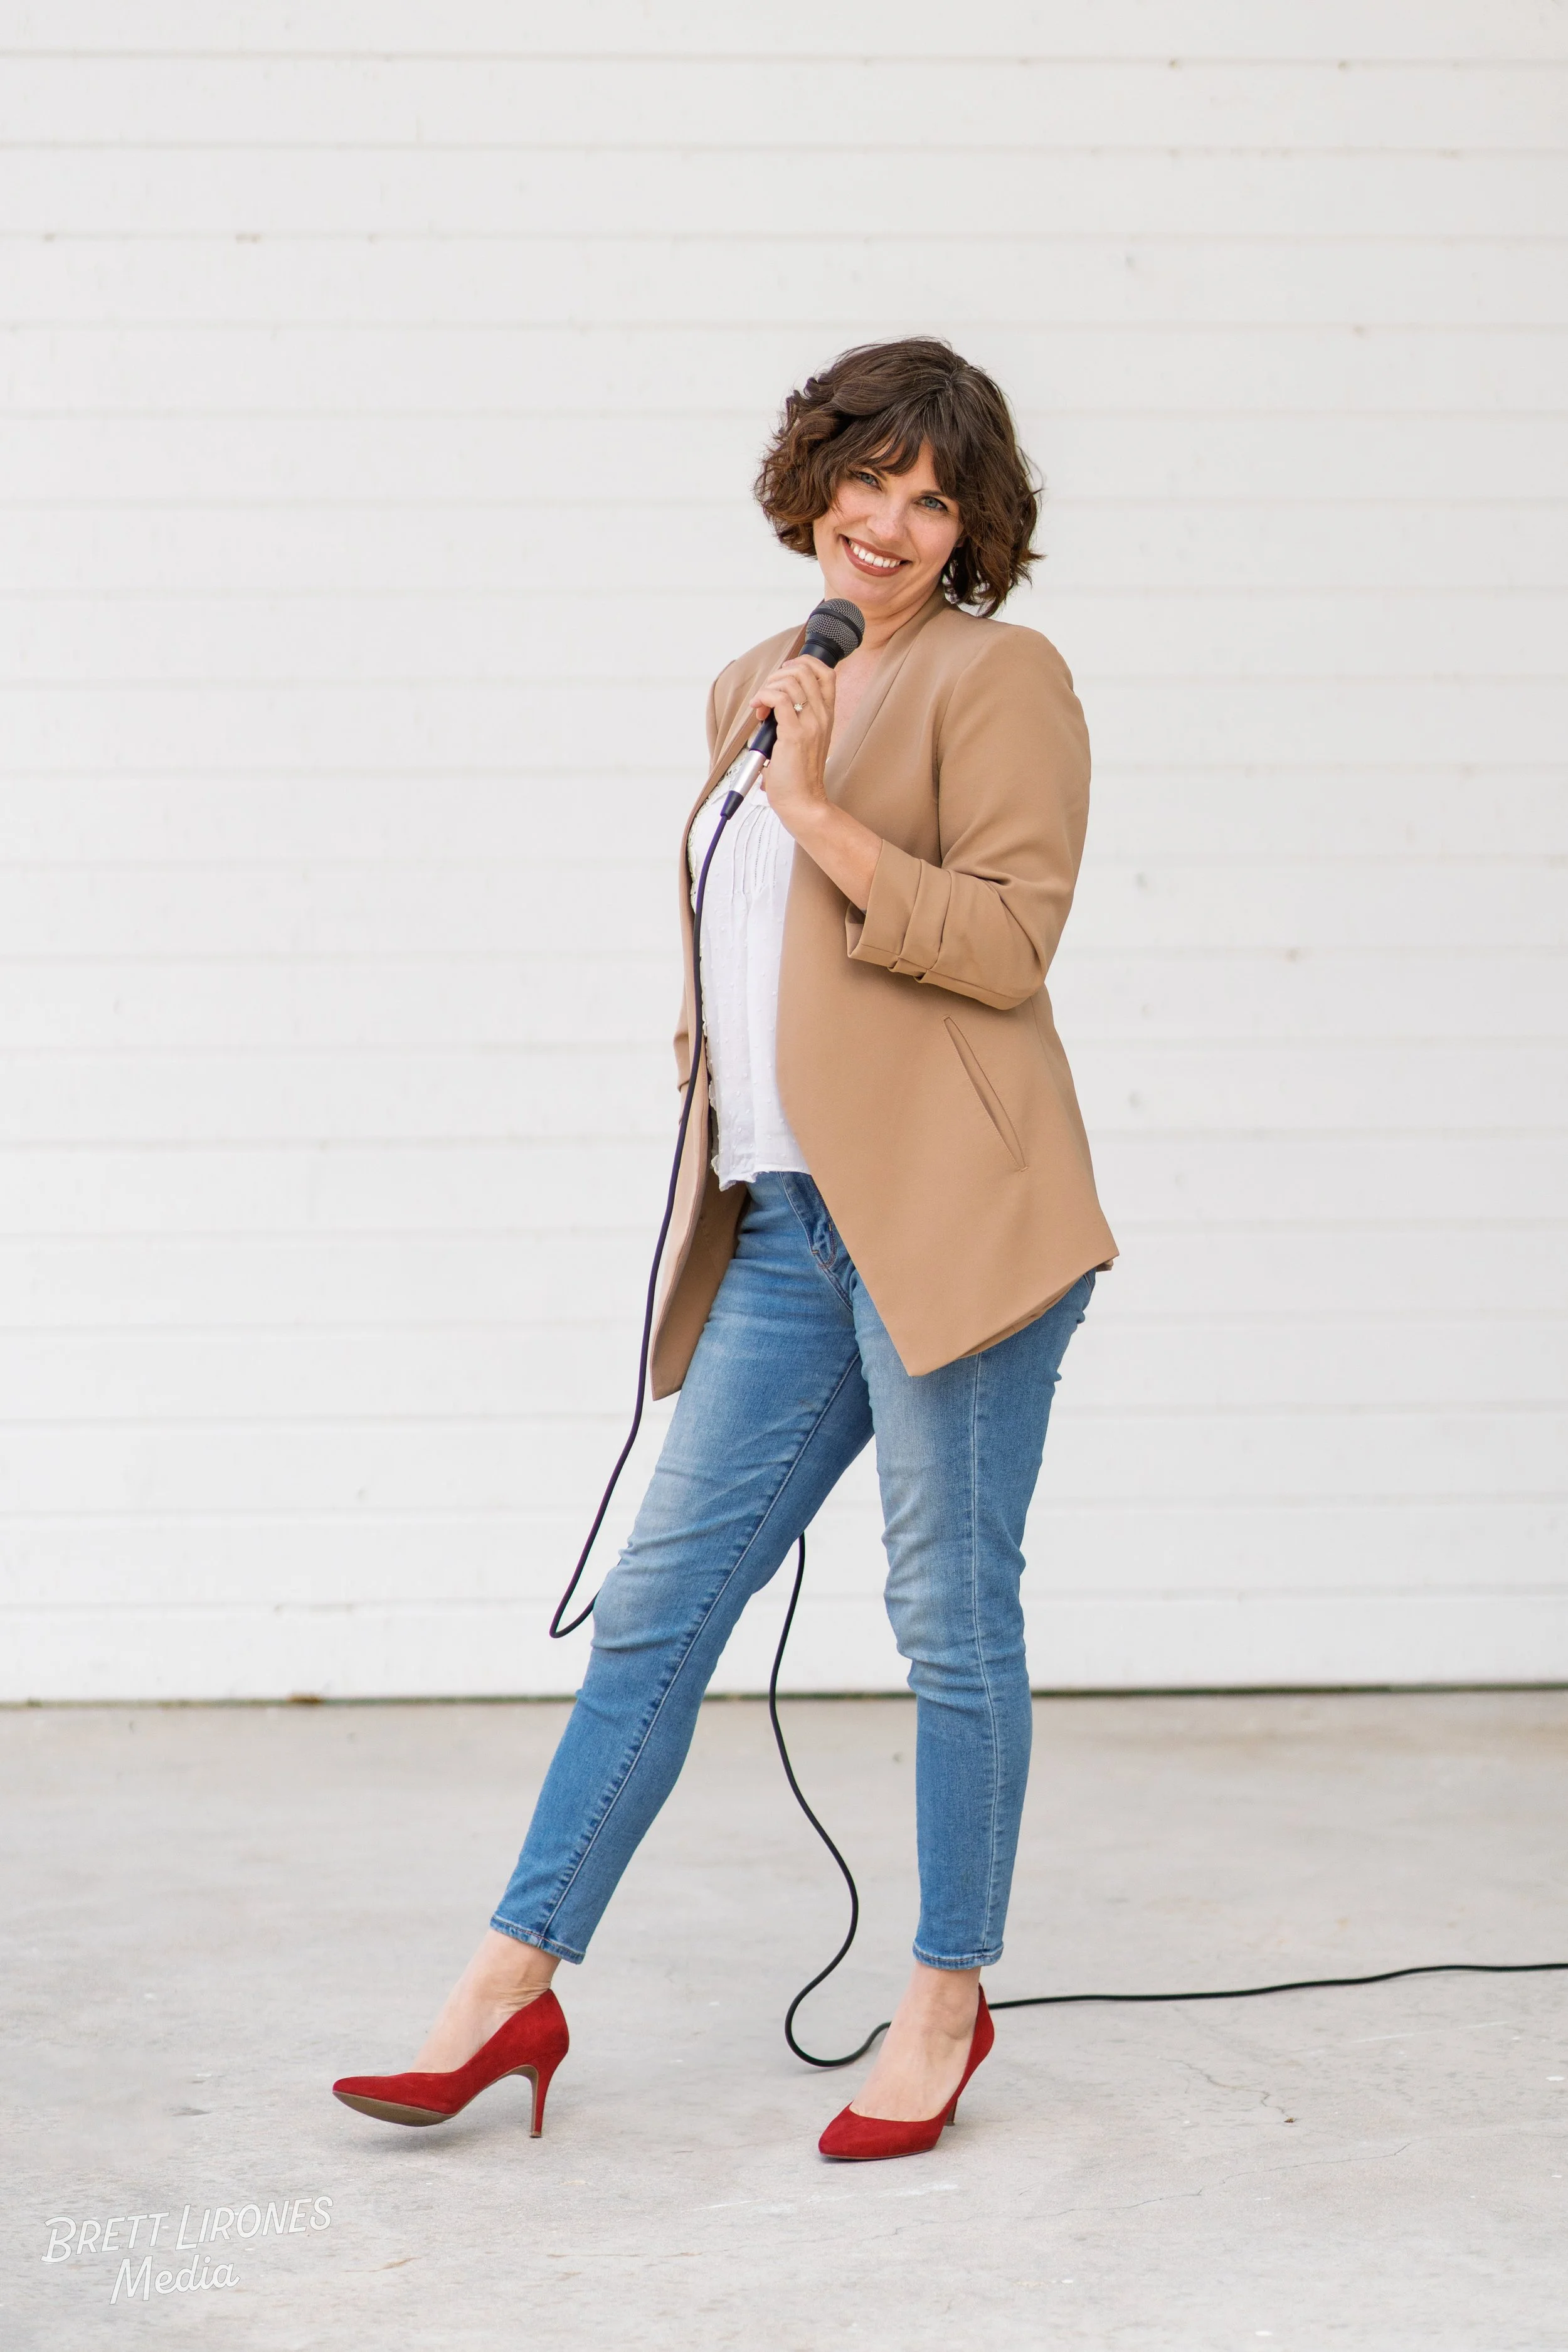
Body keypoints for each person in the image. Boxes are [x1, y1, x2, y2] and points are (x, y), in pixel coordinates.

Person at [332, 337, 1117, 2161]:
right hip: (782, 1231)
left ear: (973, 529)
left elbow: (1011, 943)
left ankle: (944, 2001)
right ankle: (506, 1986)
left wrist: (819, 811)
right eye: (871, 478)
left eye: (936, 500)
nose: (892, 523)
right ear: (813, 480)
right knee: (657, 1612)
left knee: (947, 1618)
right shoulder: (753, 682)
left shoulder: (1001, 678)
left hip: (951, 1226)